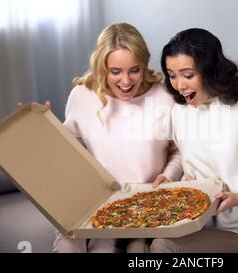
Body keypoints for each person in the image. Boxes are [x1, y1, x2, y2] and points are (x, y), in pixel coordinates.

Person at [150, 28, 238, 253]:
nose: (179, 85)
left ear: (209, 70)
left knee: (163, 248)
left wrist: (237, 198)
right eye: (172, 75)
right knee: (138, 244)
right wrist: (174, 187)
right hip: (197, 225)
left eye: (188, 75)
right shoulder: (181, 112)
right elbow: (193, 173)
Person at [52, 23, 182, 253]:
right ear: (102, 67)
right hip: (90, 204)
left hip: (143, 207)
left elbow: (178, 151)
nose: (126, 81)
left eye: (134, 70)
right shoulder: (82, 96)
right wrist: (39, 125)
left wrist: (167, 176)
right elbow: (65, 153)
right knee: (67, 248)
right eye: (115, 71)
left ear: (144, 66)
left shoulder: (163, 98)